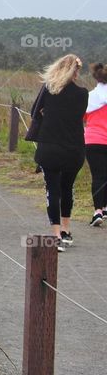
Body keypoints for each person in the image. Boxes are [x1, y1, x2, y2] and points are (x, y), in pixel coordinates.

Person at [31, 54, 88, 252]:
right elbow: (77, 116)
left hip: (50, 147)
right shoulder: (83, 94)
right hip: (74, 148)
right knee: (67, 188)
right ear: (75, 72)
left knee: (52, 190)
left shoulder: (48, 89)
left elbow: (34, 112)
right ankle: (66, 229)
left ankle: (55, 235)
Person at [85, 62, 107, 226]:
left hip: (93, 140)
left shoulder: (90, 97)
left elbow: (82, 118)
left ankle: (98, 211)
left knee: (98, 176)